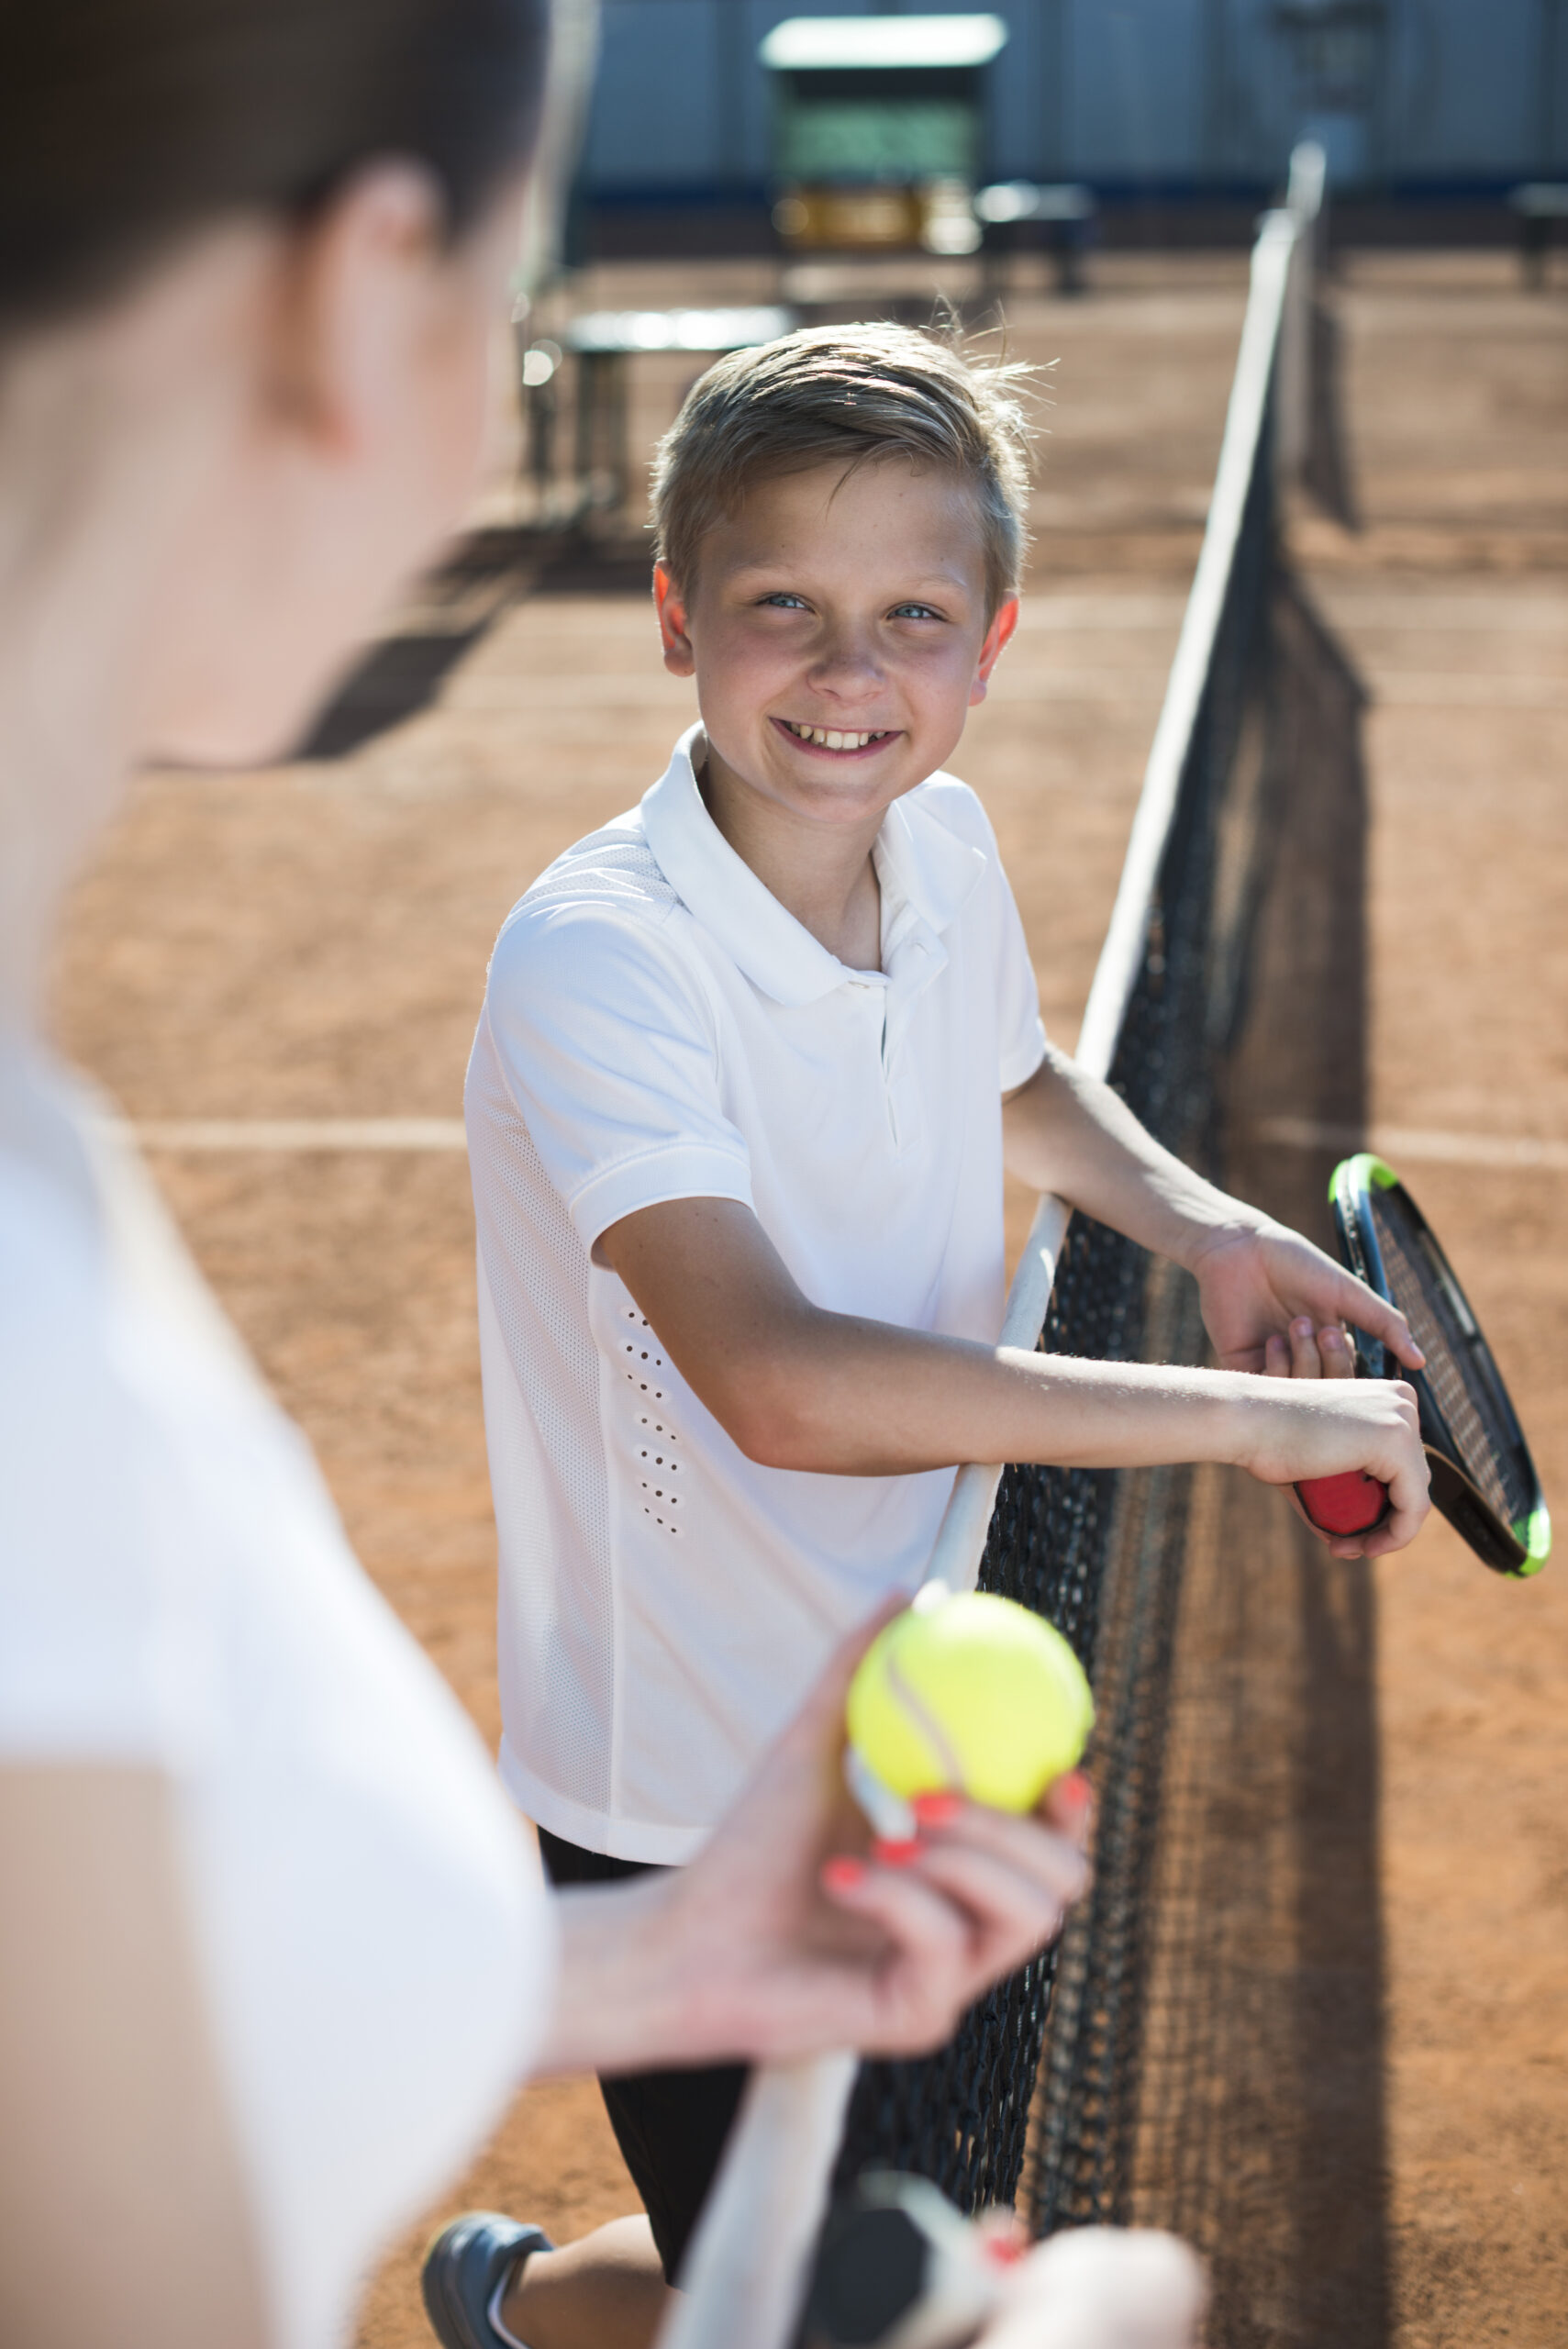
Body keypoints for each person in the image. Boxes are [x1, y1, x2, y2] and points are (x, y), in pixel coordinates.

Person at [0, 7, 1111, 2348]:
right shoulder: (43, 1329)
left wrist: (641, 1961)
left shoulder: (48, 1216)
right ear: (364, 295)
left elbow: (161, 2045)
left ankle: (514, 2302)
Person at [452, 320, 1430, 2345]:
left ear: (991, 644)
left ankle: (522, 2300)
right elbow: (782, 1384)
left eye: (911, 614)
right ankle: (542, 2300)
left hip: (933, 1669)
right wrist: (1243, 1425)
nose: (846, 675)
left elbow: (1014, 1073)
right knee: (834, 2296)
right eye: (779, 609)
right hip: (691, 1789)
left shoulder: (946, 843)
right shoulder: (599, 956)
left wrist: (1205, 1223)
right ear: (672, 619)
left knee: (864, 2253)